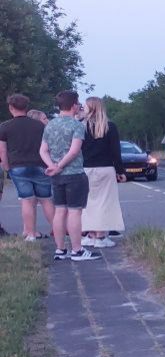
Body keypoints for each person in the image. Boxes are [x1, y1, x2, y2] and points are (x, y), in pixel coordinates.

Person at [39, 90, 100, 261]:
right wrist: (59, 166)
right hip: (74, 174)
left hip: (56, 176)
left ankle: (60, 249)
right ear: (74, 105)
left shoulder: (50, 125)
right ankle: (77, 250)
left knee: (60, 211)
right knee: (74, 212)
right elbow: (74, 151)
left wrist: (52, 166)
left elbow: (43, 150)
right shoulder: (76, 126)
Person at [0, 94, 56, 241]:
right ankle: (58, 231)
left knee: (26, 200)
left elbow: (2, 150)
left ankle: (30, 234)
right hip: (40, 165)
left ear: (11, 108)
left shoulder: (5, 127)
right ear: (27, 107)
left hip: (18, 166)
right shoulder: (40, 126)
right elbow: (48, 146)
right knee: (46, 200)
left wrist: (7, 167)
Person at [79, 97, 126, 248]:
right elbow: (115, 152)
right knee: (105, 203)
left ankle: (90, 234)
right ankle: (101, 236)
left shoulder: (81, 127)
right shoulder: (110, 127)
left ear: (90, 108)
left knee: (88, 203)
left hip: (85, 169)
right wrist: (120, 171)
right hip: (105, 168)